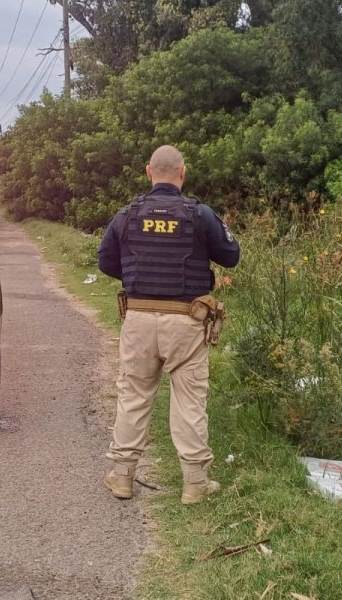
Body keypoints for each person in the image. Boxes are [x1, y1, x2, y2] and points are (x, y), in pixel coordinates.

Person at [96, 145, 241, 505]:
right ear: (182, 173)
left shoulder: (127, 215)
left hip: (139, 317)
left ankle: (123, 477)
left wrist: (135, 276)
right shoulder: (200, 214)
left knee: (133, 396)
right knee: (190, 400)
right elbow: (231, 256)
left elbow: (105, 262)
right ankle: (194, 483)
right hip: (186, 319)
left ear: (148, 172)